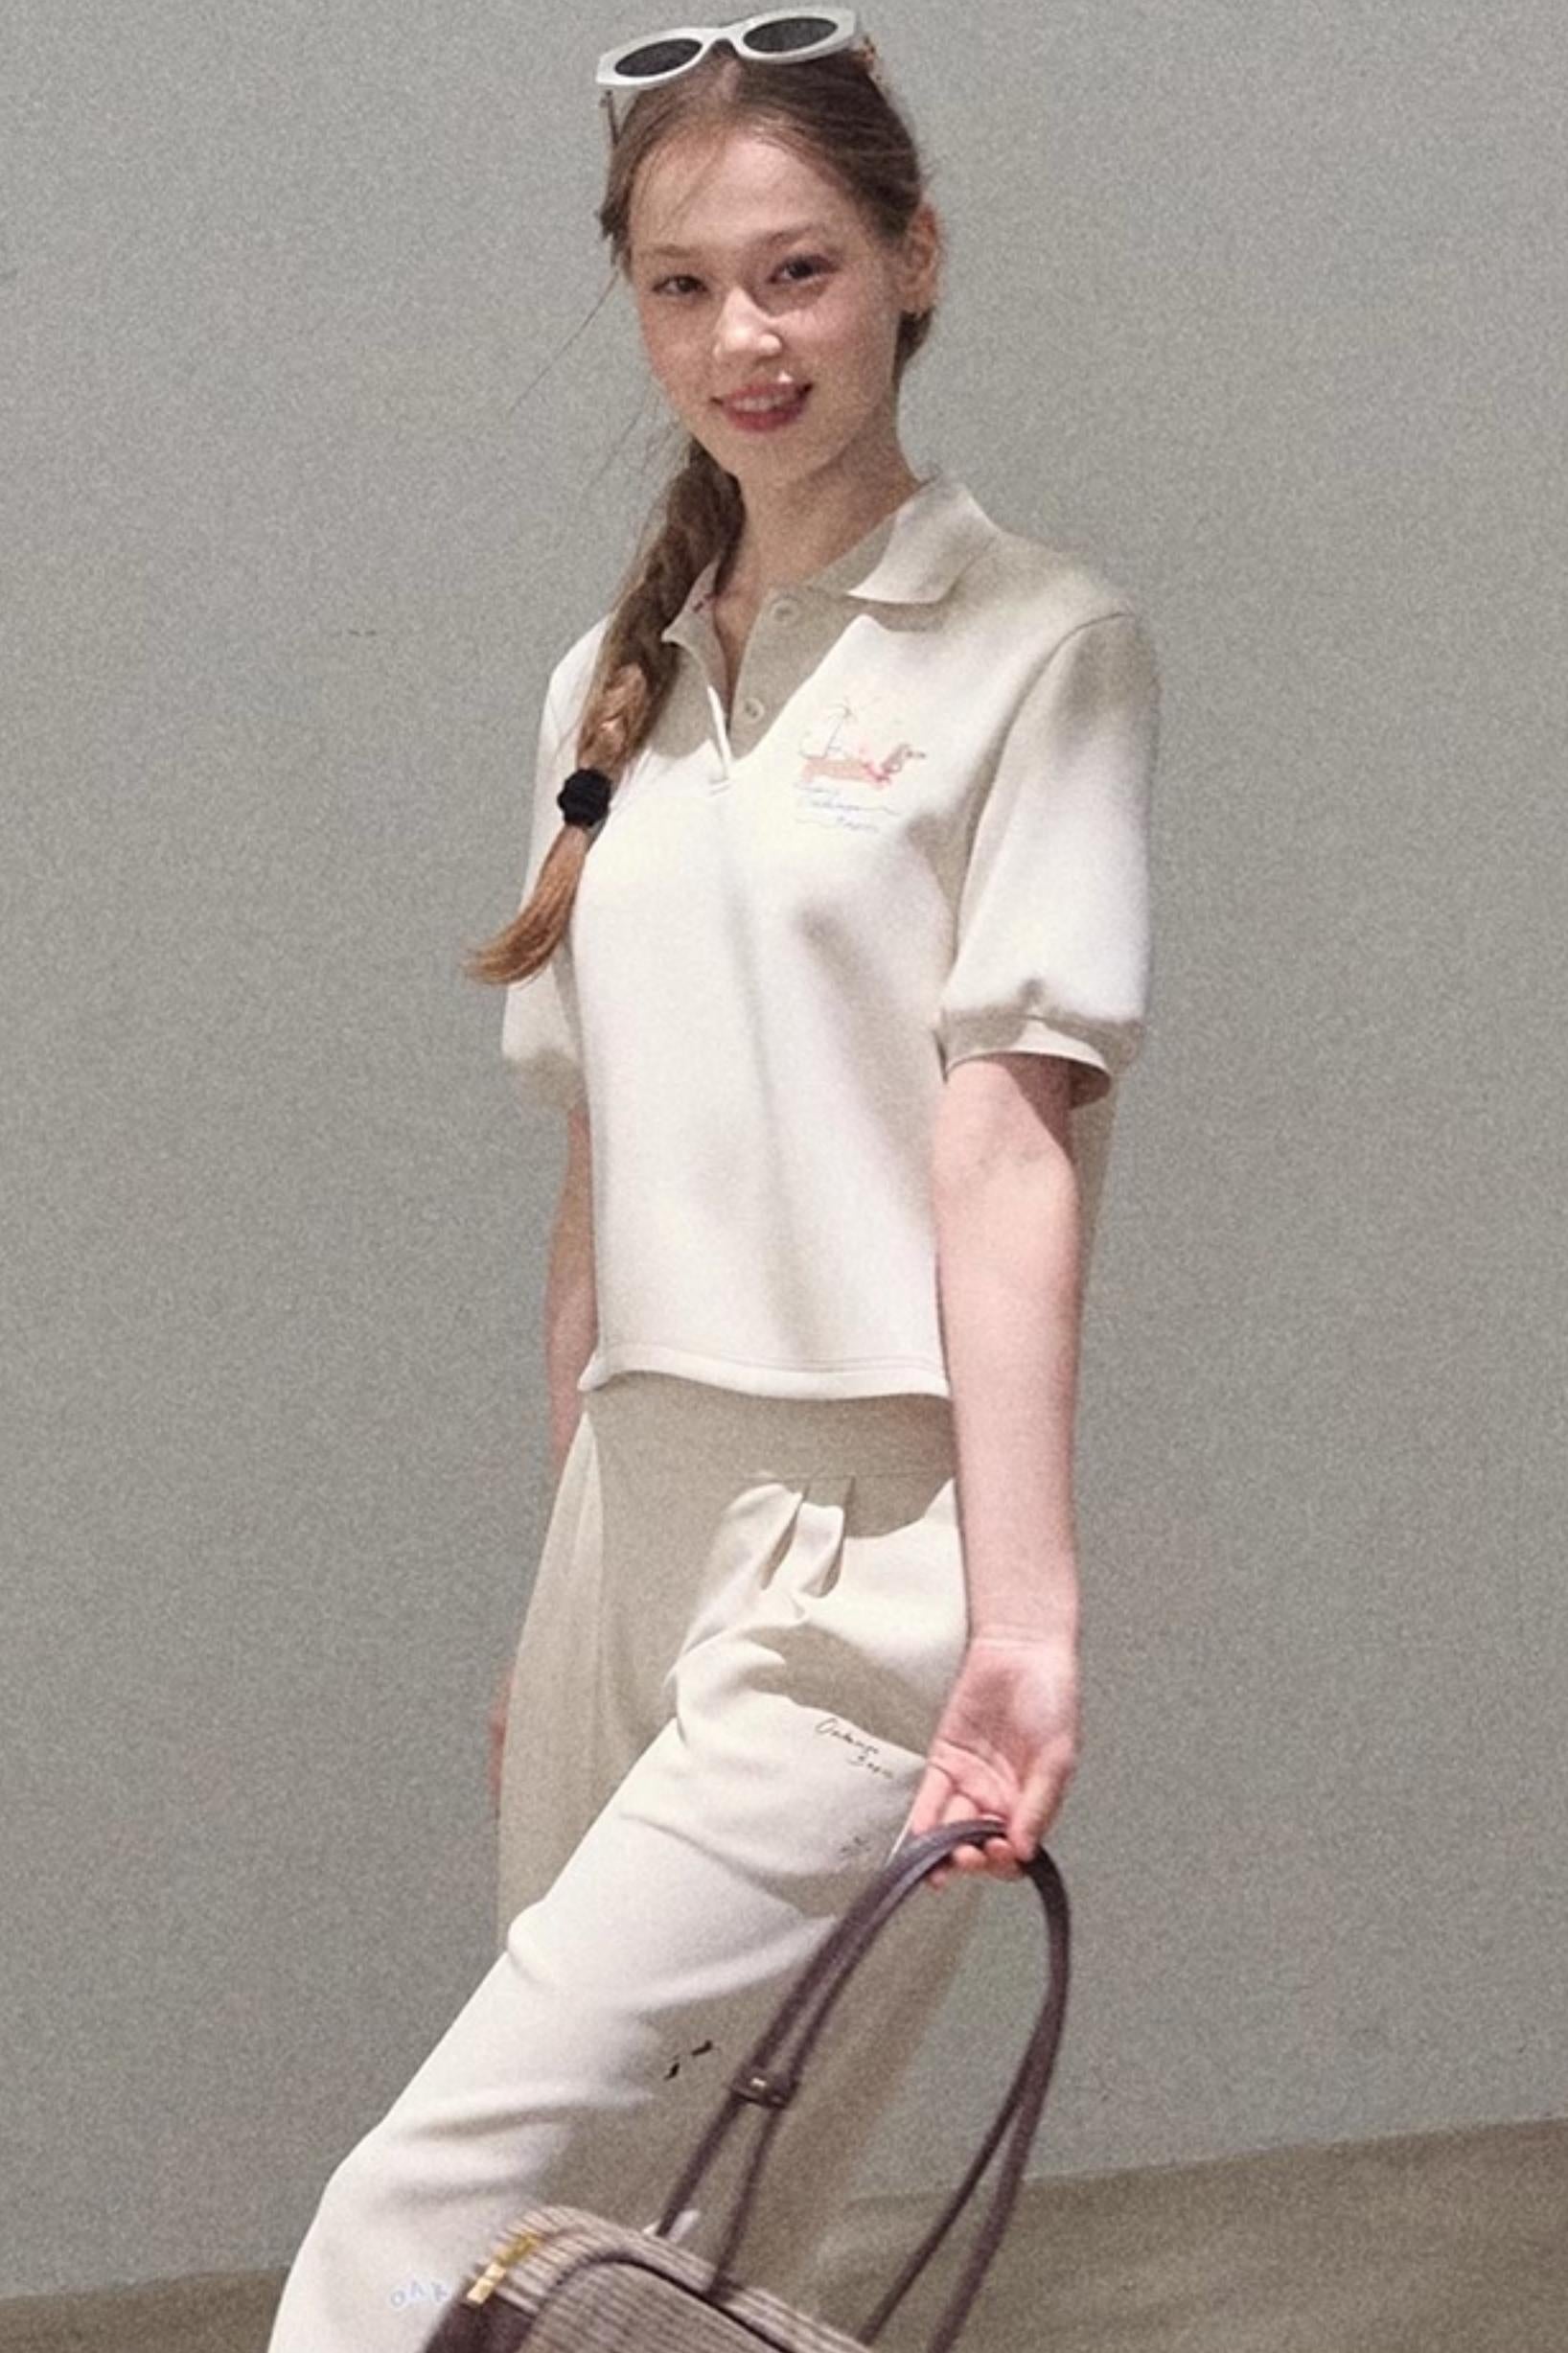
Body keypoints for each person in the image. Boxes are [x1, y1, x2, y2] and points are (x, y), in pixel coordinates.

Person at [265, 12, 1160, 2345]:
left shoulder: (1038, 645)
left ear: (909, 259)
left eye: (795, 271)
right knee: (630, 2271)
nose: (741, 338)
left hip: (862, 1559)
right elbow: (602, 1160)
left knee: (418, 2228)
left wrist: (1025, 1616)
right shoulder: (609, 681)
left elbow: (1007, 1133)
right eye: (681, 287)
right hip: (629, 1530)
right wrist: (559, 1575)